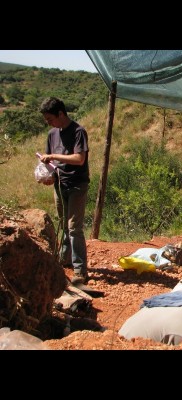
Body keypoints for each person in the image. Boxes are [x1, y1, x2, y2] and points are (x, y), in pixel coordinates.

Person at [39, 97, 90, 284]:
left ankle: (80, 271)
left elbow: (79, 159)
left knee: (74, 227)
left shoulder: (78, 131)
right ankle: (64, 259)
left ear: (61, 114)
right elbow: (51, 163)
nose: (49, 123)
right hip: (59, 184)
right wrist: (49, 175)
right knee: (63, 223)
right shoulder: (52, 134)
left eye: (50, 119)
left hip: (77, 185)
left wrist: (52, 155)